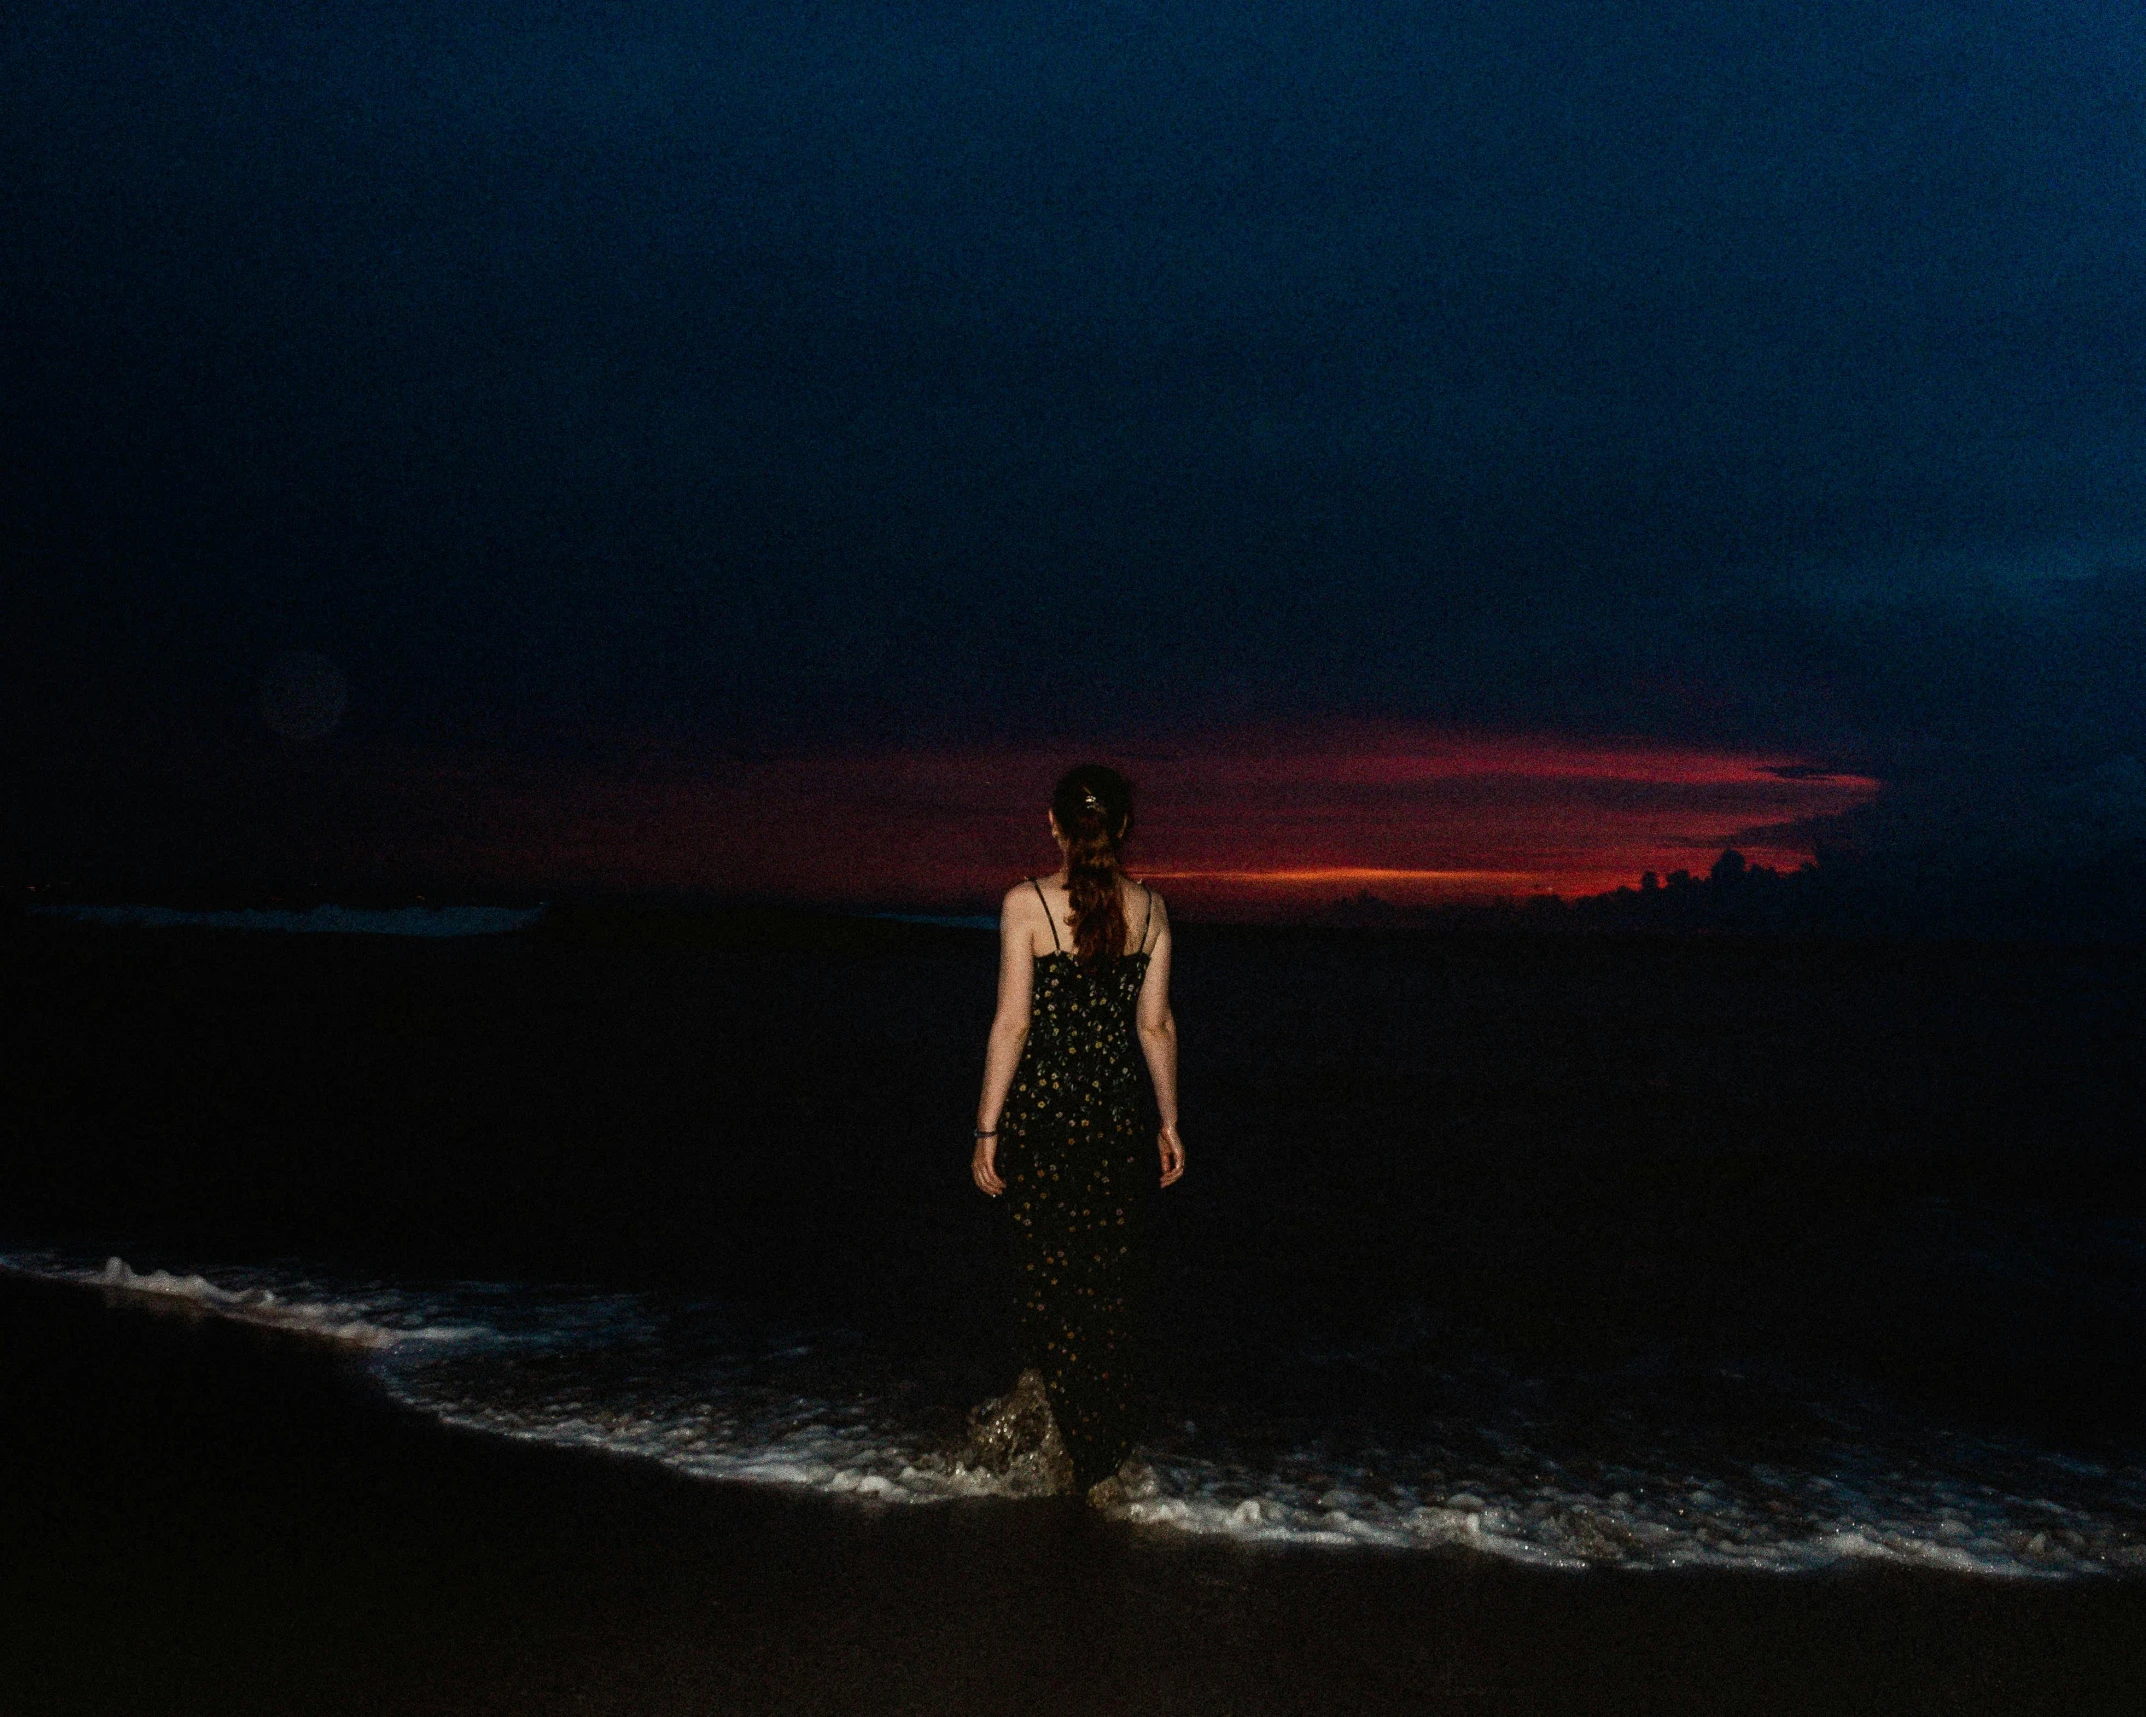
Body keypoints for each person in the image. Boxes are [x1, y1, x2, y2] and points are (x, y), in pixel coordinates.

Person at [970, 763, 1185, 1501]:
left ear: (1054, 824)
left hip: (1046, 1125)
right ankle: (1097, 1452)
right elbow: (1154, 1025)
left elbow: (1014, 1022)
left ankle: (1077, 1446)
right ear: (1122, 828)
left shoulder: (1025, 904)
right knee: (1106, 1289)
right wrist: (1169, 1120)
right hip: (1116, 1122)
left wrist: (987, 1128)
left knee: (1048, 1286)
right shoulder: (1154, 910)